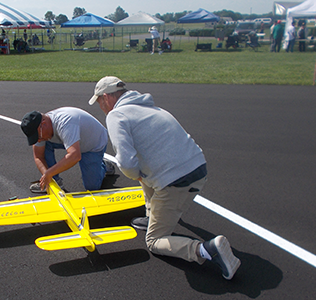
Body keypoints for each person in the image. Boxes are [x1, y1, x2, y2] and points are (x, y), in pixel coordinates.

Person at [88, 76, 241, 280]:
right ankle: (152, 217)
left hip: (175, 183)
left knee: (154, 241)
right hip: (198, 169)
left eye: (99, 101)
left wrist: (135, 175)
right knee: (145, 176)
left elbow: (125, 162)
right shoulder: (153, 108)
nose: (100, 106)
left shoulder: (117, 115)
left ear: (106, 97)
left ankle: (205, 249)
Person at [20, 108, 115, 193]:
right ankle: (55, 181)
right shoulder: (40, 129)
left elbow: (75, 156)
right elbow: (38, 156)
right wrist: (47, 176)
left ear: (43, 124)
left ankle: (102, 165)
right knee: (45, 144)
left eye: (38, 136)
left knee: (92, 187)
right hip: (71, 140)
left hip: (92, 144)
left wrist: (49, 172)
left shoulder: (65, 123)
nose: (38, 140)